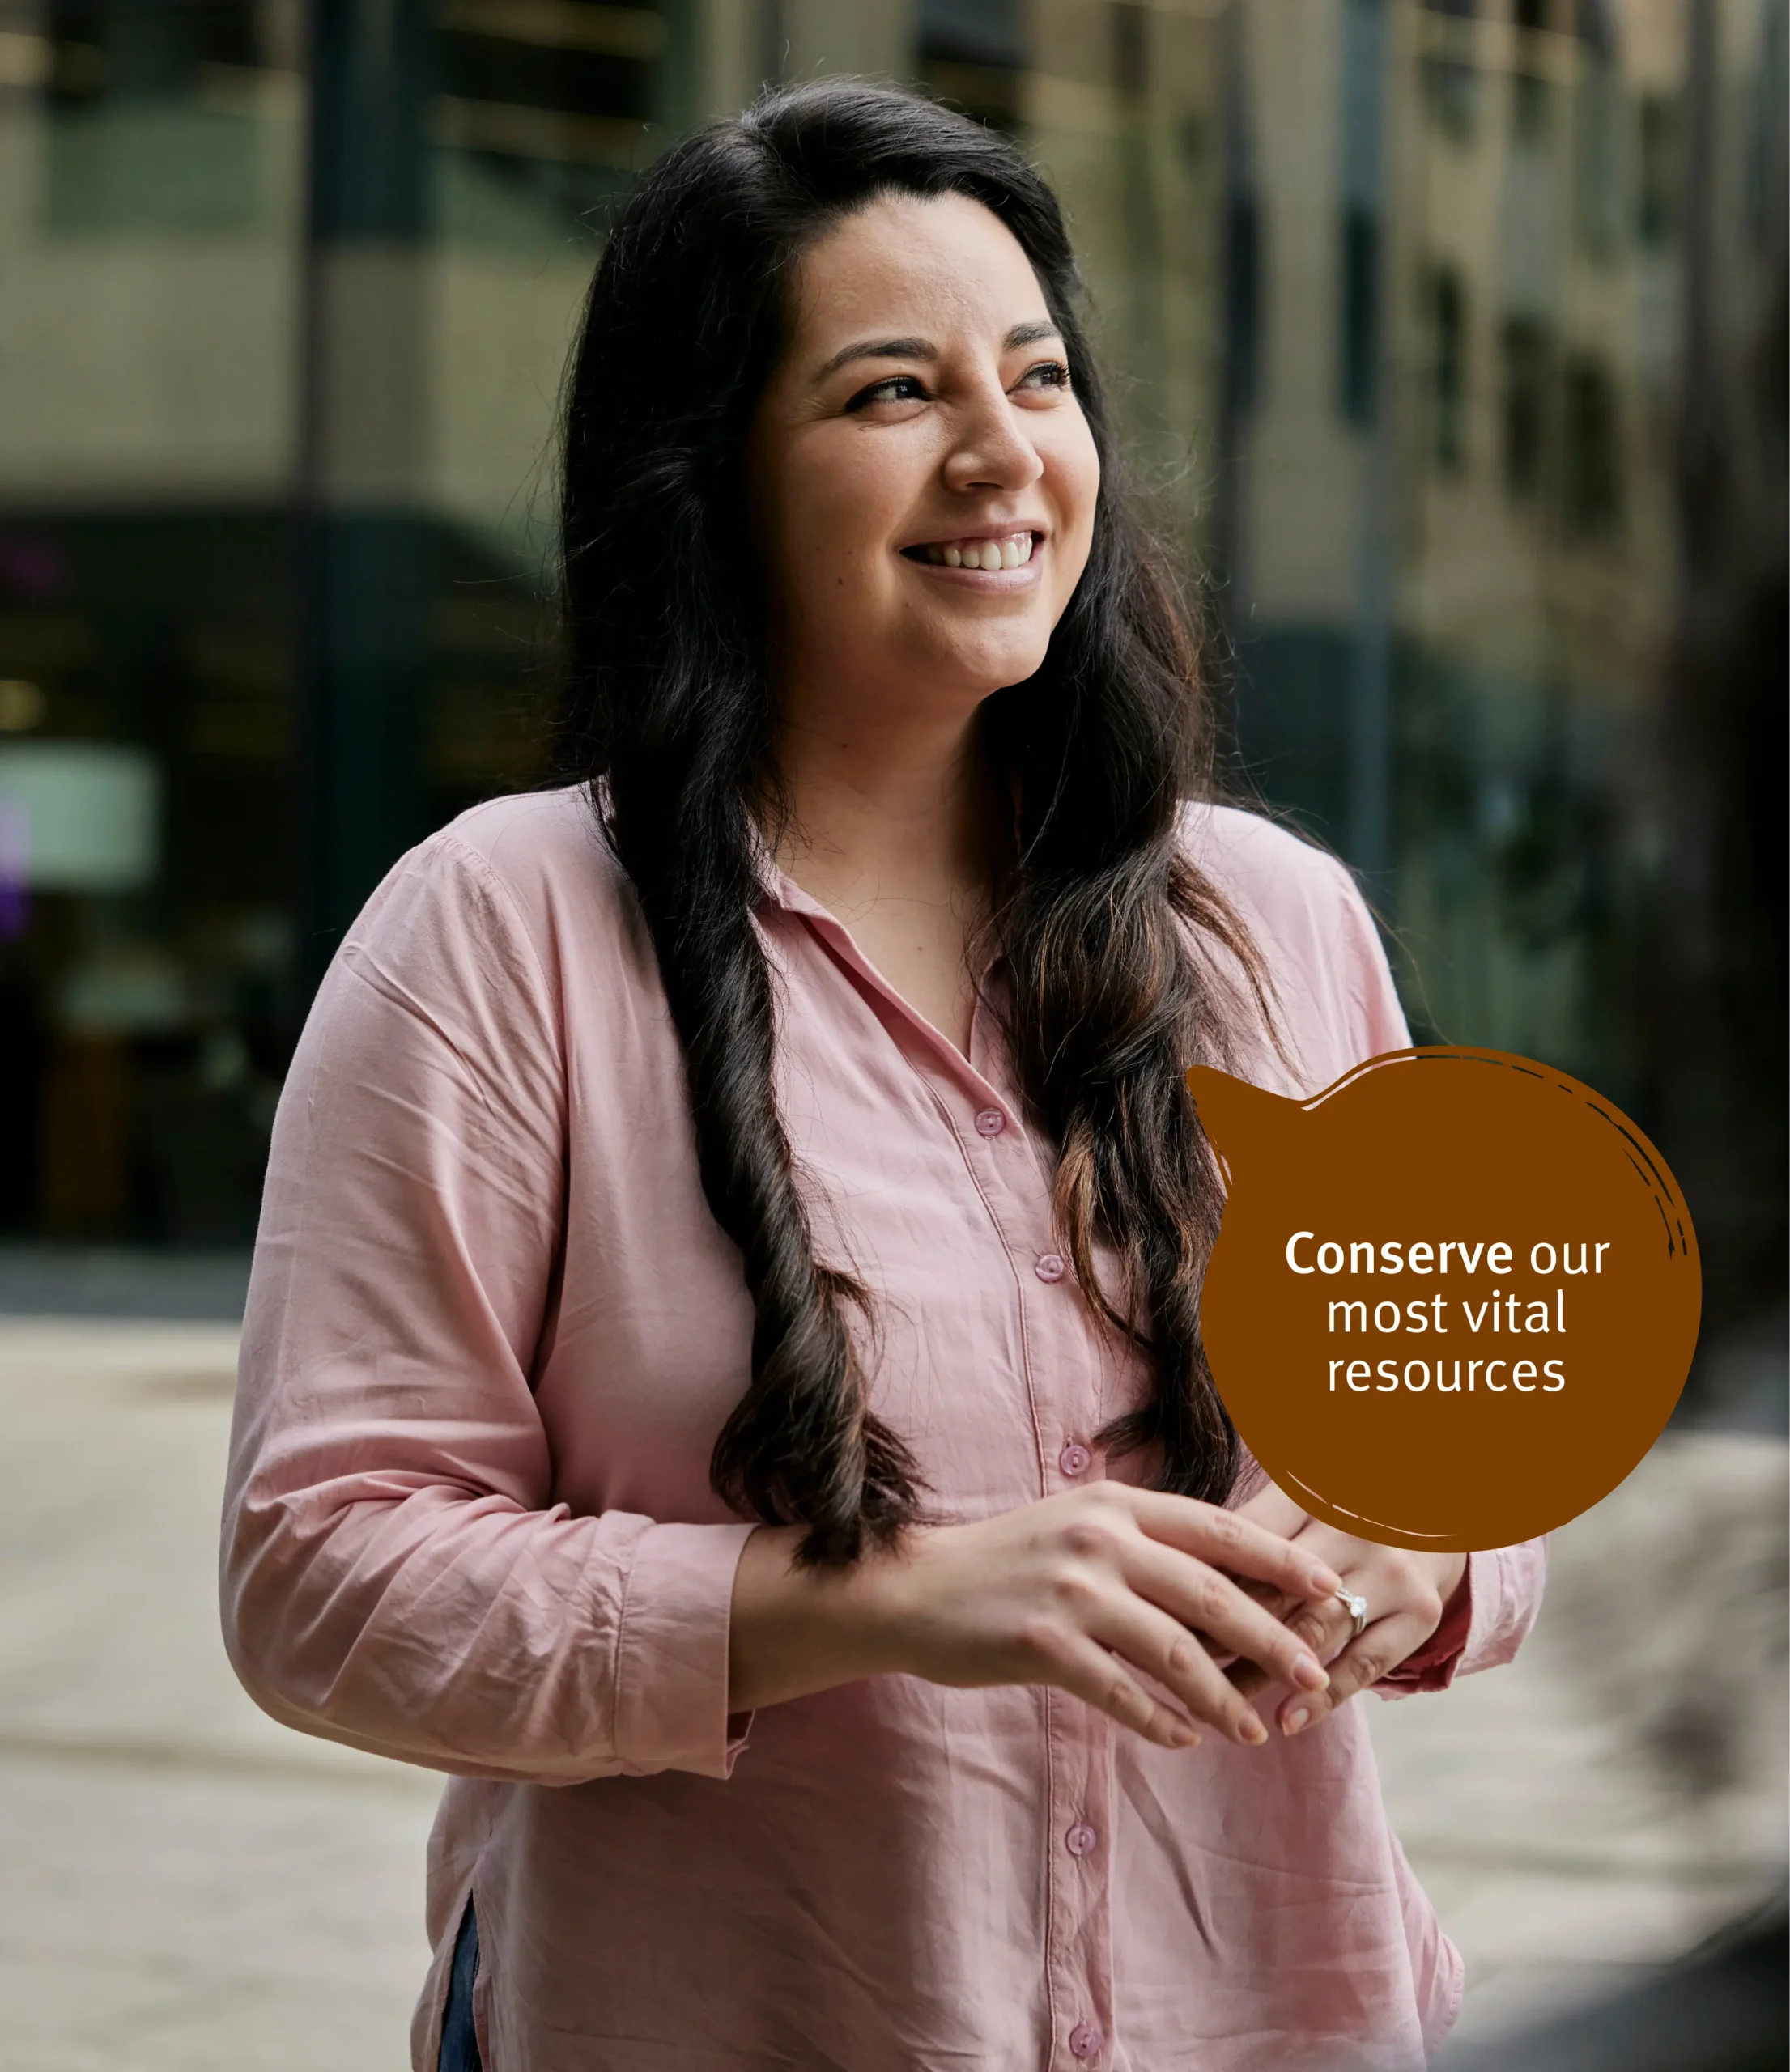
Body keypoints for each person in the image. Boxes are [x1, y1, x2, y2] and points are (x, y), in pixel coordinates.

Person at [221, 79, 1545, 2072]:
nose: (1005, 452)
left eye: (1036, 375)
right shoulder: (496, 932)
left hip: (1271, 2016)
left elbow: (1471, 1449)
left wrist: (1414, 1539)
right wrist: (880, 1597)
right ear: (713, 477)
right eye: (888, 393)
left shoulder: (1274, 919)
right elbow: (319, 1573)